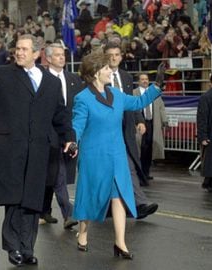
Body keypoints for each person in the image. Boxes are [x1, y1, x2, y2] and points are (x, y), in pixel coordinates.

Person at [0, 34, 76, 266]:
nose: (19, 52)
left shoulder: (50, 81)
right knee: (14, 200)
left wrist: (68, 138)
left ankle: (27, 248)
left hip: (39, 151)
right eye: (17, 48)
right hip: (10, 149)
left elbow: (60, 115)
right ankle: (13, 247)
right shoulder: (3, 74)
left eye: (24, 49)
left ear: (36, 53)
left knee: (32, 201)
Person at [72, 50, 162, 259]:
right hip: (94, 156)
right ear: (95, 73)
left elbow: (138, 103)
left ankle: (120, 242)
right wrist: (71, 141)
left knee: (118, 196)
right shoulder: (83, 99)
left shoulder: (116, 95)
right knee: (90, 196)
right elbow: (77, 125)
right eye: (105, 68)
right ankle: (83, 233)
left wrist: (156, 87)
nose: (110, 71)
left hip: (117, 156)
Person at [104, 42, 159, 218]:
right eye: (110, 54)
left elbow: (131, 101)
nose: (114, 58)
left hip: (125, 129)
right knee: (110, 169)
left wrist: (139, 120)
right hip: (105, 131)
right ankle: (109, 206)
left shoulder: (126, 77)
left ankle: (139, 203)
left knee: (129, 166)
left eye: (117, 54)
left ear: (121, 56)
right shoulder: (99, 75)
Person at [40, 43, 84, 229]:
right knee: (58, 171)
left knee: (54, 171)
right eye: (57, 55)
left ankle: (44, 211)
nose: (61, 58)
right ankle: (69, 213)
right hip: (49, 132)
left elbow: (80, 104)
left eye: (63, 54)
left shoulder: (73, 79)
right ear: (48, 58)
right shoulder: (41, 78)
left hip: (68, 130)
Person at [133, 73, 167, 181]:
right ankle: (139, 173)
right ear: (138, 81)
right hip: (139, 123)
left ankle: (146, 172)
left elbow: (161, 107)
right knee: (140, 148)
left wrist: (164, 120)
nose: (145, 81)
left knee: (149, 149)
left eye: (146, 79)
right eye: (142, 79)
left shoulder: (155, 93)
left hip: (152, 123)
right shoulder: (134, 93)